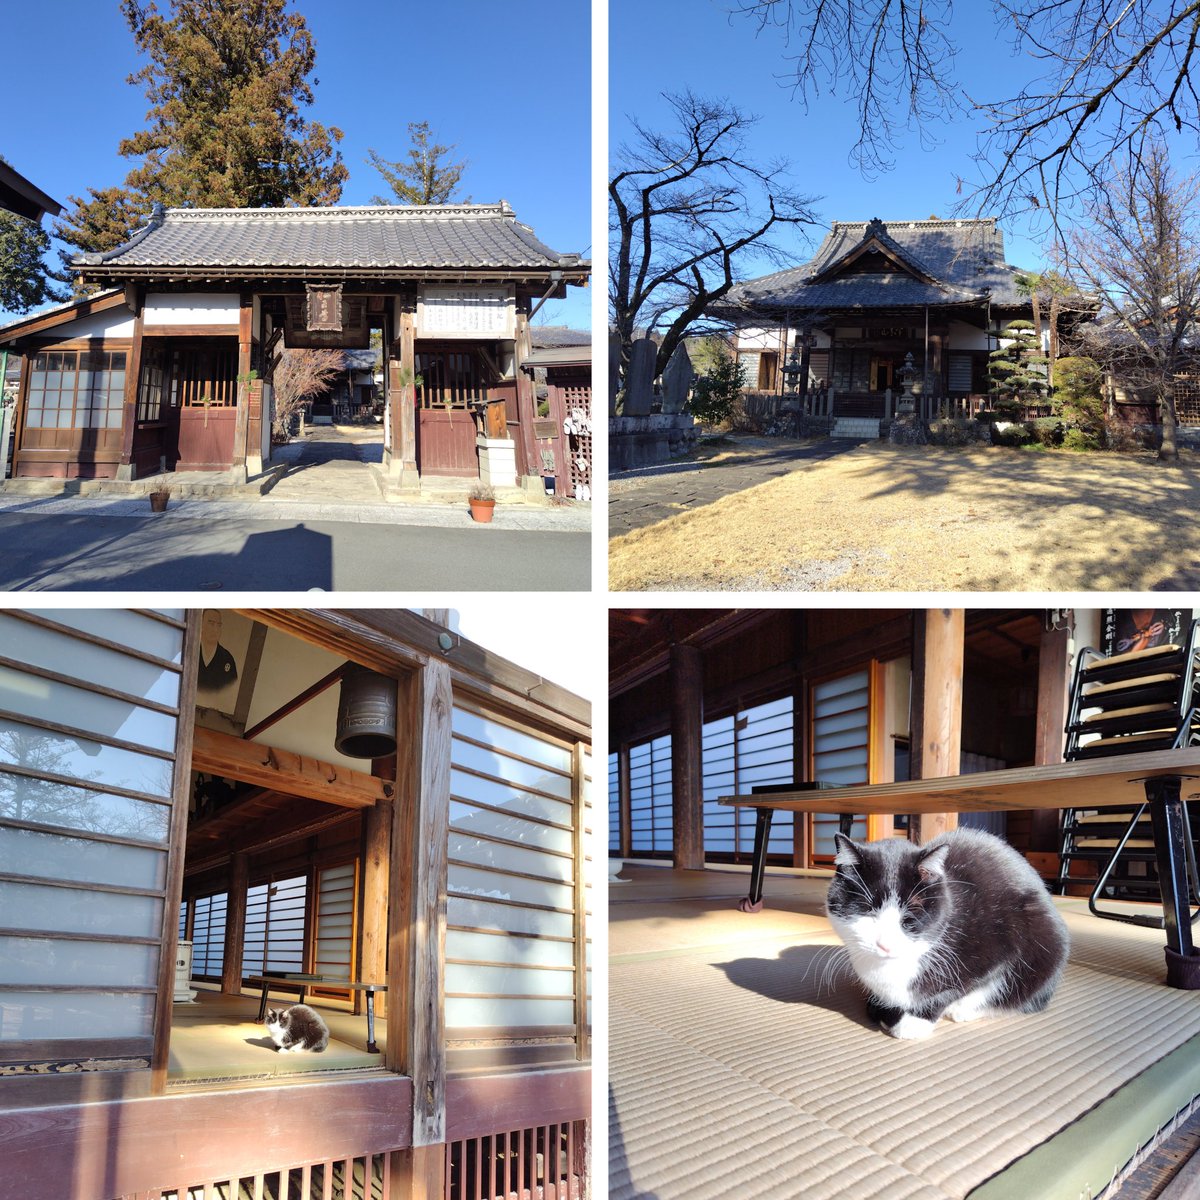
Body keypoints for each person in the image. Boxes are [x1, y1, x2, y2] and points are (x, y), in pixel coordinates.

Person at [198, 608, 239, 692]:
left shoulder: (227, 658)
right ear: (201, 625)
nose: (215, 629)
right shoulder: (192, 650)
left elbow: (231, 688)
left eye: (218, 625)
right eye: (211, 624)